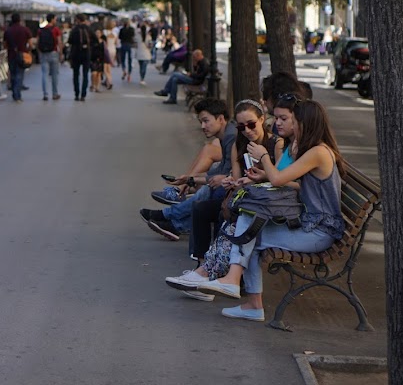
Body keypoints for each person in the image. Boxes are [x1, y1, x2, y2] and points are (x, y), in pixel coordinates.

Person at [197, 98, 345, 322]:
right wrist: (264, 175)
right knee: (250, 227)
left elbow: (277, 179)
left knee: (251, 232)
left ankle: (240, 288)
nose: (289, 126)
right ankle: (243, 292)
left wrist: (264, 157)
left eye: (293, 121)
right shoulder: (313, 150)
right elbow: (288, 181)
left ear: (307, 123)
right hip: (310, 225)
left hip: (319, 233)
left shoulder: (318, 153)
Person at [164, 99, 283, 299]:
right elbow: (237, 178)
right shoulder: (239, 144)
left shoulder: (275, 144)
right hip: (245, 199)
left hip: (263, 205)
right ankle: (202, 268)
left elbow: (278, 180)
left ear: (262, 120)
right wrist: (232, 182)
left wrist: (260, 165)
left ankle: (210, 276)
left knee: (227, 217)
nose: (247, 130)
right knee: (202, 209)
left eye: (251, 124)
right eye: (241, 126)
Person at [140, 98, 236, 240]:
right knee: (207, 186)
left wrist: (194, 180)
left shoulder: (231, 136)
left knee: (208, 189)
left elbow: (225, 173)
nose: (203, 126)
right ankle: (174, 224)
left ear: (221, 118)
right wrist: (191, 180)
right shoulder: (225, 135)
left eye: (206, 121)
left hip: (238, 185)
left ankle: (168, 216)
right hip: (231, 181)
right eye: (201, 122)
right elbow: (222, 169)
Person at [3, 13, 32, 102]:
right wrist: (27, 50)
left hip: (11, 55)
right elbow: (30, 43)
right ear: (20, 20)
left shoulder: (8, 31)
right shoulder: (25, 30)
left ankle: (14, 93)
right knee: (20, 74)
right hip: (22, 55)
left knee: (12, 74)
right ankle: (17, 95)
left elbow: (4, 45)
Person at [67, 13, 93, 101]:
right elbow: (95, 40)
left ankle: (76, 94)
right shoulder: (89, 29)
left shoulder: (74, 30)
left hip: (76, 53)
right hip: (86, 53)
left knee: (76, 74)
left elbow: (69, 41)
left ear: (77, 20)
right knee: (85, 74)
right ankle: (83, 94)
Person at [37, 13, 62, 101]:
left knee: (44, 74)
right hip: (53, 53)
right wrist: (61, 54)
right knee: (54, 74)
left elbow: (38, 42)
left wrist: (39, 52)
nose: (56, 21)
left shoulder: (41, 30)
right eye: (55, 19)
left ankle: (45, 94)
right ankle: (54, 93)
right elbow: (59, 42)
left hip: (44, 53)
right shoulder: (56, 30)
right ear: (52, 19)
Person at [90, 28, 105, 93]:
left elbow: (105, 51)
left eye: (99, 33)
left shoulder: (103, 42)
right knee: (94, 73)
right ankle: (93, 84)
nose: (97, 34)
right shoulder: (92, 41)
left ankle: (97, 87)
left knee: (99, 74)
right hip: (93, 59)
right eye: (96, 33)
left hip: (101, 60)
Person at [103, 20, 117, 90]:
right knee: (109, 67)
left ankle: (109, 81)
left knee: (105, 68)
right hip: (113, 50)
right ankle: (107, 81)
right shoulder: (115, 32)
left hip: (106, 50)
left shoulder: (104, 32)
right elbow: (116, 42)